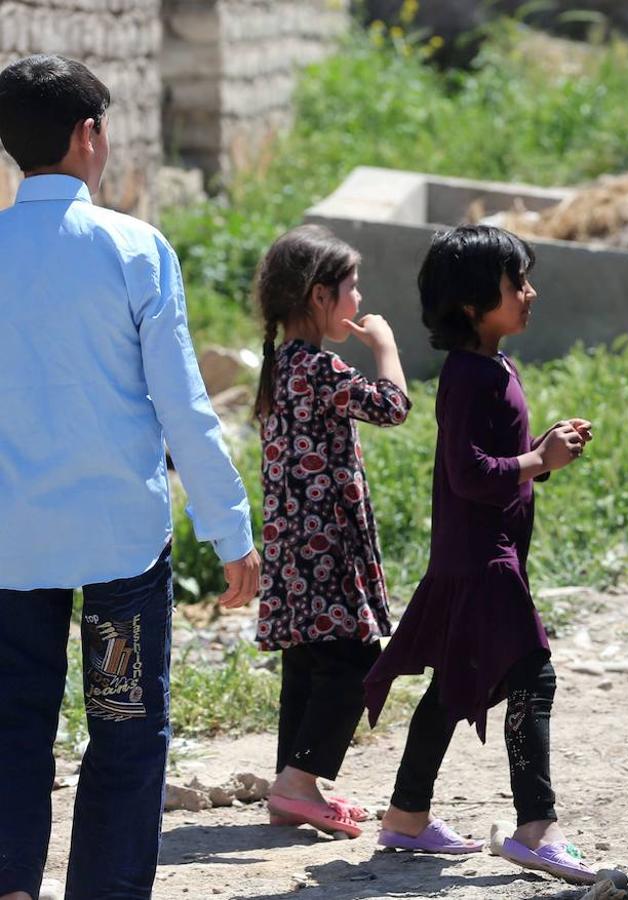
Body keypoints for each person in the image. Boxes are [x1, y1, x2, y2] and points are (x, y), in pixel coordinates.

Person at [0, 55, 260, 899]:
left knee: (11, 728)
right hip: (119, 550)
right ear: (90, 136)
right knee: (122, 728)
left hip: (9, 549)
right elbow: (184, 406)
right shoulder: (135, 249)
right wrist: (231, 531)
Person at [363, 226, 604, 884]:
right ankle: (536, 828)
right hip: (482, 559)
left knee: (455, 684)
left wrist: (542, 454)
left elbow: (501, 465)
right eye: (514, 283)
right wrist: (537, 459)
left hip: (484, 554)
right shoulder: (467, 377)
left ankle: (407, 817)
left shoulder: (495, 365)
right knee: (533, 677)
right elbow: (469, 473)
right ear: (473, 304)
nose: (530, 292)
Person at [251, 225, 411, 839]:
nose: (359, 298)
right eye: (350, 287)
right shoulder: (318, 367)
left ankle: (295, 784)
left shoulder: (280, 365)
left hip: (295, 548)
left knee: (309, 663)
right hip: (327, 548)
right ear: (319, 296)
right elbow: (393, 406)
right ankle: (298, 781)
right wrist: (385, 345)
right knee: (353, 660)